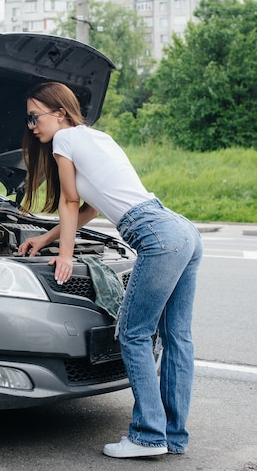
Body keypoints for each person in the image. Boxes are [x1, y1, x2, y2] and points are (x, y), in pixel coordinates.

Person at [17, 81, 203, 459]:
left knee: (134, 334)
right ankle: (173, 436)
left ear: (60, 113)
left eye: (34, 117)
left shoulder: (63, 141)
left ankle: (148, 437)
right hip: (180, 229)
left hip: (156, 234)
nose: (31, 125)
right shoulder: (98, 137)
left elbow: (70, 201)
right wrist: (46, 239)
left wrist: (64, 255)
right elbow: (91, 208)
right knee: (177, 337)